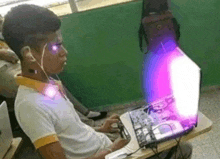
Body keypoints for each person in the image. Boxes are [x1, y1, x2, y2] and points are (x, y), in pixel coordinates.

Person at [2, 4, 192, 159]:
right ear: (28, 54)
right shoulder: (30, 106)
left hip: (103, 142)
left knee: (152, 118)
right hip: (105, 154)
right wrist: (111, 150)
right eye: (54, 47)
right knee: (182, 150)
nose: (63, 52)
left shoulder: (49, 83)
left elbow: (70, 132)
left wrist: (101, 128)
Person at [0, 33, 107, 122]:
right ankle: (82, 122)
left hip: (16, 63)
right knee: (40, 82)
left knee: (46, 70)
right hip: (4, 70)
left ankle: (82, 115)